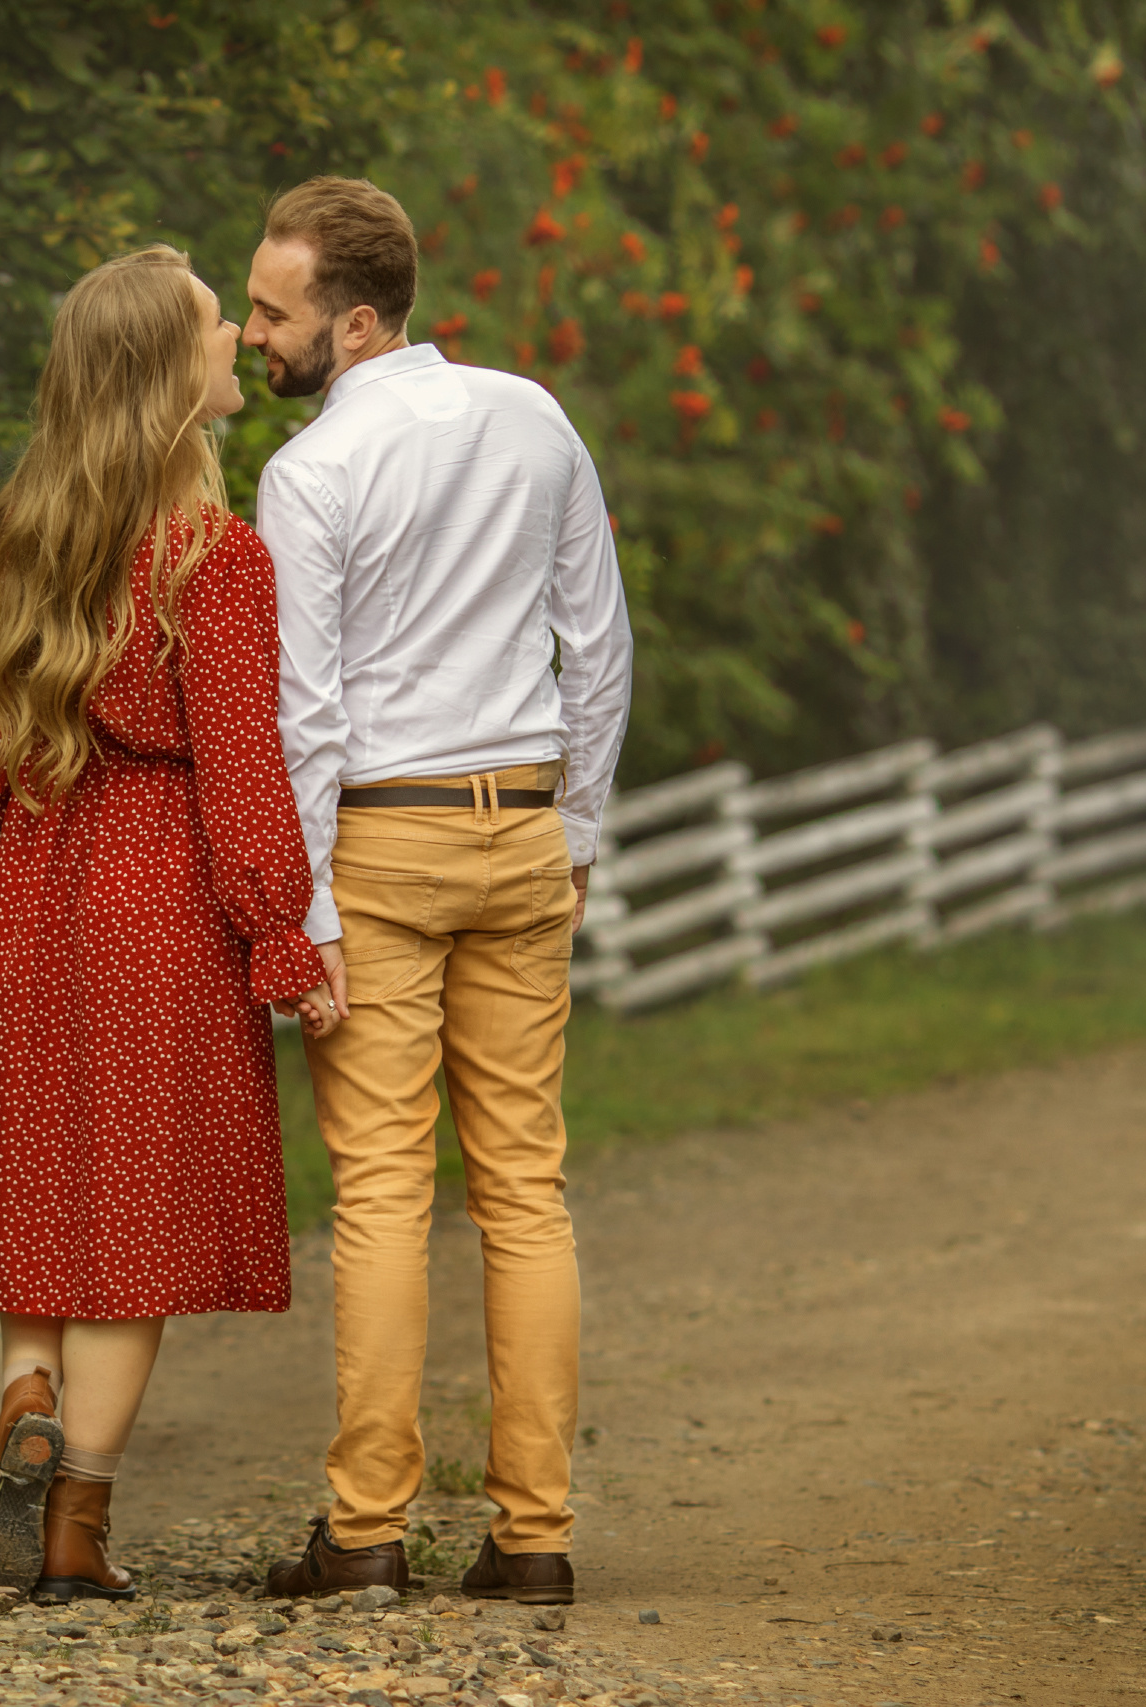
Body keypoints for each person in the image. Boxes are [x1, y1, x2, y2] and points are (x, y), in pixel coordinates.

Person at [246, 178, 635, 1607]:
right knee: (527, 1188)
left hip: (384, 847)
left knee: (386, 1194)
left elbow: (306, 715)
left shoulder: (310, 478)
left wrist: (309, 917)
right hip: (523, 826)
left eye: (272, 311)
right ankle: (535, 1539)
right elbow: (598, 644)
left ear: (355, 320)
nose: (247, 333)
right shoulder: (533, 416)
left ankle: (364, 1533)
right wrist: (576, 829)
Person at [0, 244, 342, 1604]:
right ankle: (78, 1528)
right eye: (210, 328)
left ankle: (25, 1406)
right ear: (168, 378)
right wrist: (282, 945)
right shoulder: (213, 561)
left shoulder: (19, 536)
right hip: (161, 898)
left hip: (43, 883)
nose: (239, 337)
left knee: (49, 1200)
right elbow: (244, 775)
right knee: (136, 1228)